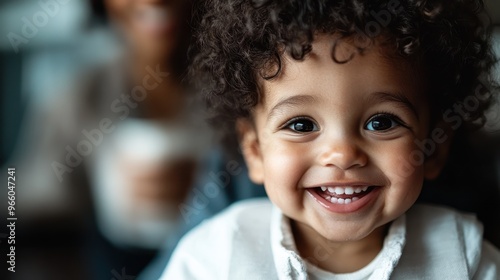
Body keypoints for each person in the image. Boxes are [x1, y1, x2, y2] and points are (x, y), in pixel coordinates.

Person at [160, 0, 500, 279]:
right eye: (301, 125)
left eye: (381, 122)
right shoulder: (217, 253)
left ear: (434, 147)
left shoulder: (463, 255)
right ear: (255, 152)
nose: (342, 154)